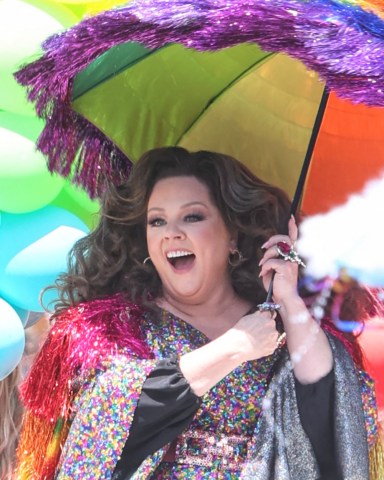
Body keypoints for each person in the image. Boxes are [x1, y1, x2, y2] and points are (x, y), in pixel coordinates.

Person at [14, 147, 383, 479]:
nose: (171, 233)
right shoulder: (113, 327)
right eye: (157, 221)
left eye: (192, 217)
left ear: (232, 236)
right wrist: (235, 347)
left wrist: (289, 302)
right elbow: (108, 417)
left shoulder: (282, 326)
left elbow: (344, 417)